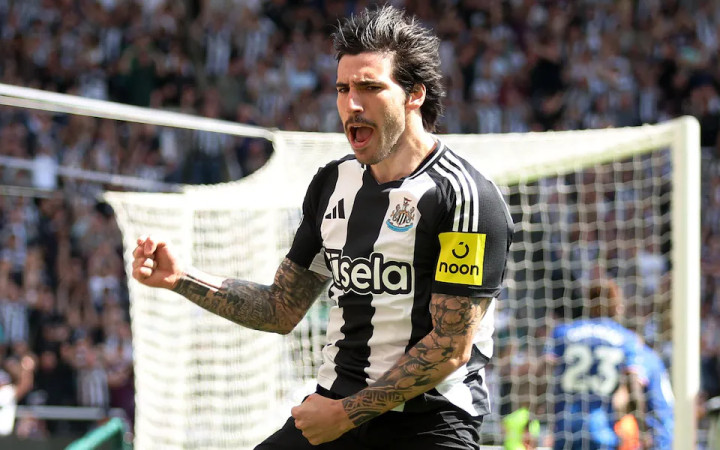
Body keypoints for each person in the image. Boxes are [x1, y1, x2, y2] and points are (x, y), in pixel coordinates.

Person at [131, 5, 513, 450]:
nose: (352, 104)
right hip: (331, 408)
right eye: (343, 88)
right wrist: (181, 277)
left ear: (414, 95)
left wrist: (344, 414)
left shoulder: (465, 197)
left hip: (427, 425)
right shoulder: (332, 183)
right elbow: (281, 307)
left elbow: (450, 346)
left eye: (370, 87)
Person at [544, 277, 647, 449]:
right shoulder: (626, 339)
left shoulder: (562, 333)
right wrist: (643, 431)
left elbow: (542, 377)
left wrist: (533, 418)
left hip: (566, 429)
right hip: (602, 431)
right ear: (615, 305)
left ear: (589, 303)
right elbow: (634, 389)